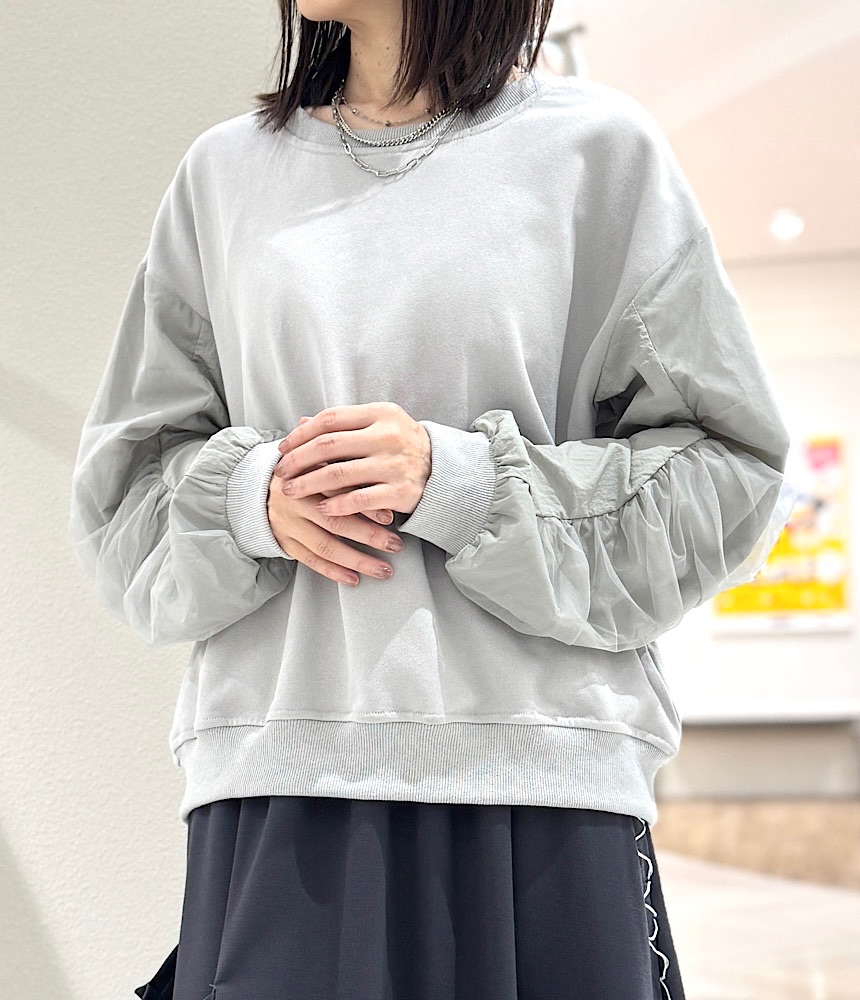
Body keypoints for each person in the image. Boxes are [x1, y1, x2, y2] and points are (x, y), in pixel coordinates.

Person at [68, 1, 796, 998]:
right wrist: (251, 501)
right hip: (283, 774)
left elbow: (730, 467)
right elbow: (122, 494)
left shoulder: (597, 154)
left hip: (539, 780)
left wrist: (467, 486)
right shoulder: (224, 177)